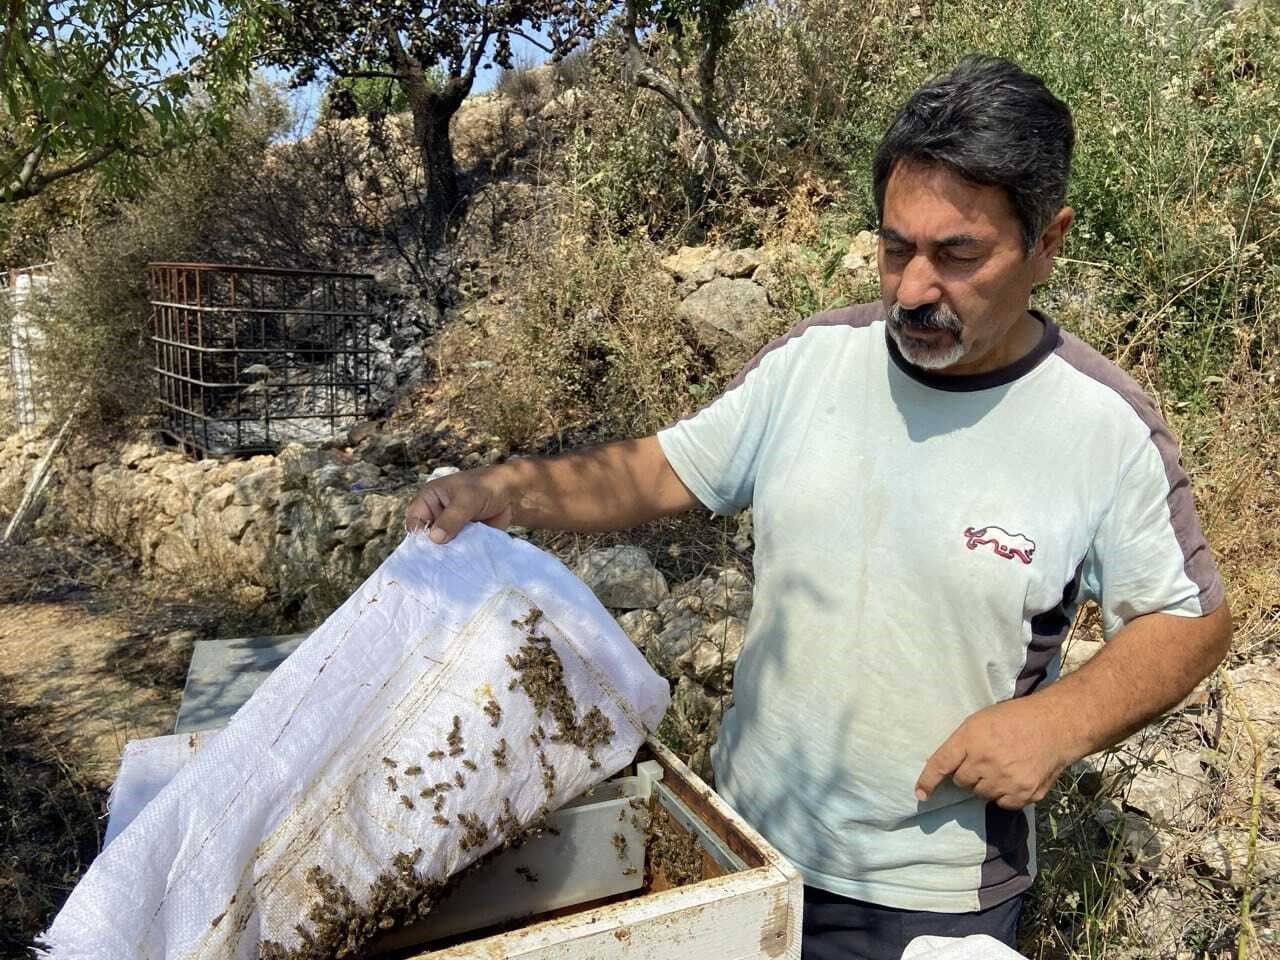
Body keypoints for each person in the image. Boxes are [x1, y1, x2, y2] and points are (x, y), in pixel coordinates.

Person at [404, 55, 1232, 959]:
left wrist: (1058, 724)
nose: (913, 289)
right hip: (743, 847)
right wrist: (503, 490)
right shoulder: (815, 362)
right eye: (893, 247)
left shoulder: (1103, 427)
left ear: (1047, 242)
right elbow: (661, 469)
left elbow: (1189, 619)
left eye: (957, 254)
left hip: (928, 903)